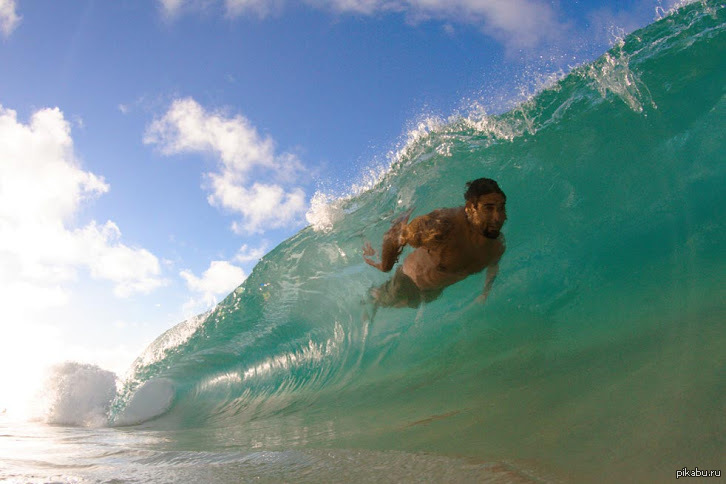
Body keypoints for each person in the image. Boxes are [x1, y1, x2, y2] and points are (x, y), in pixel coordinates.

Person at [363, 178, 506, 308]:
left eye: (501, 208)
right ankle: (369, 298)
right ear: (470, 208)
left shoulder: (496, 245)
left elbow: (493, 265)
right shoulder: (443, 226)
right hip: (407, 282)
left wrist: (485, 293)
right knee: (384, 300)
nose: (498, 217)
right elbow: (395, 236)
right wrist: (385, 266)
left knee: (402, 305)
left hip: (434, 290)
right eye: (488, 208)